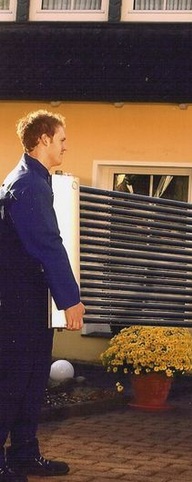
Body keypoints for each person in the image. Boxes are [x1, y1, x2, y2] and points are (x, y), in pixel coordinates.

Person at [0, 110, 86, 482]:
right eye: (61, 139)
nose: (66, 146)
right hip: (17, 303)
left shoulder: (36, 179)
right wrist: (70, 299)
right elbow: (47, 245)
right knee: (13, 382)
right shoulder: (28, 185)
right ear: (43, 139)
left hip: (30, 302)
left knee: (32, 381)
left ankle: (23, 454)